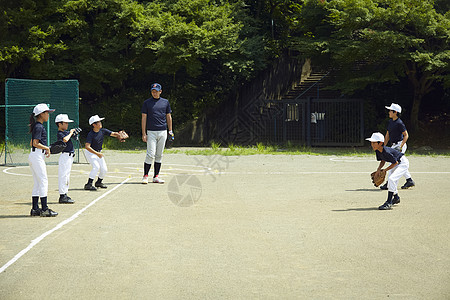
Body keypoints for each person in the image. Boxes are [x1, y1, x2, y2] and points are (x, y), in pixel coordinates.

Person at [366, 132, 411, 210]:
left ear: (380, 143)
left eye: (374, 143)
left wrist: (385, 170)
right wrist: (378, 170)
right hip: (396, 163)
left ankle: (389, 202)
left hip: (402, 163)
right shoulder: (377, 150)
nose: (372, 144)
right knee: (391, 180)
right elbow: (383, 160)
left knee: (391, 179)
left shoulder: (386, 151)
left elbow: (395, 162)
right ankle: (396, 197)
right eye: (371, 142)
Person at [28, 103, 58, 217]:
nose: (48, 115)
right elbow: (35, 143)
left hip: (35, 155)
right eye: (47, 112)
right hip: (37, 157)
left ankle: (35, 209)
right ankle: (45, 209)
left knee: (37, 182)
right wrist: (47, 148)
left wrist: (44, 148)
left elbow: (32, 143)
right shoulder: (39, 126)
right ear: (41, 114)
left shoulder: (37, 126)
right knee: (43, 181)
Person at [141, 83, 173, 184]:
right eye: (152, 91)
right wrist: (144, 133)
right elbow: (144, 118)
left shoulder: (165, 102)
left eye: (156, 91)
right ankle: (145, 176)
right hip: (151, 131)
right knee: (150, 154)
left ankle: (156, 176)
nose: (154, 93)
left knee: (159, 154)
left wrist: (170, 131)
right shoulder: (147, 103)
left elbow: (168, 116)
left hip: (163, 131)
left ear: (160, 91)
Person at [380, 103, 415, 190]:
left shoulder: (399, 123)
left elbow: (406, 135)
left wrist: (401, 146)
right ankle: (409, 180)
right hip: (393, 146)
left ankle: (389, 183)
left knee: (394, 163)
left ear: (395, 112)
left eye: (390, 111)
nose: (389, 112)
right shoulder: (391, 122)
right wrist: (383, 145)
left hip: (399, 145)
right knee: (400, 163)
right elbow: (387, 134)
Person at [83, 115, 123, 191]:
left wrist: (119, 135)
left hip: (98, 153)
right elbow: (87, 146)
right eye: (98, 122)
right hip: (90, 152)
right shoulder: (91, 134)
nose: (100, 123)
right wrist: (97, 154)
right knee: (96, 167)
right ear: (94, 125)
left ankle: (98, 182)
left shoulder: (103, 131)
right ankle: (88, 184)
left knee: (104, 169)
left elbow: (113, 134)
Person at [55, 114, 76, 204]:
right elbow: (65, 140)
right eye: (65, 123)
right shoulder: (60, 133)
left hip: (69, 156)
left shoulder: (66, 132)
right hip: (65, 156)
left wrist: (75, 134)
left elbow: (71, 137)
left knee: (67, 176)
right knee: (63, 176)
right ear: (59, 124)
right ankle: (62, 196)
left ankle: (65, 194)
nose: (67, 124)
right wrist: (71, 133)